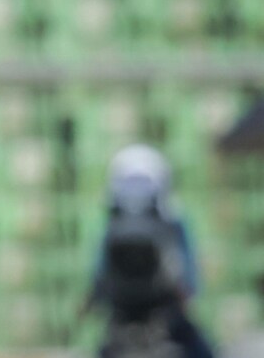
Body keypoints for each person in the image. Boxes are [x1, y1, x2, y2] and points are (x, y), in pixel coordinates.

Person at [86, 145, 214, 358]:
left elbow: (188, 281)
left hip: (164, 322)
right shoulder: (172, 223)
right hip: (126, 324)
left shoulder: (172, 223)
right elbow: (190, 282)